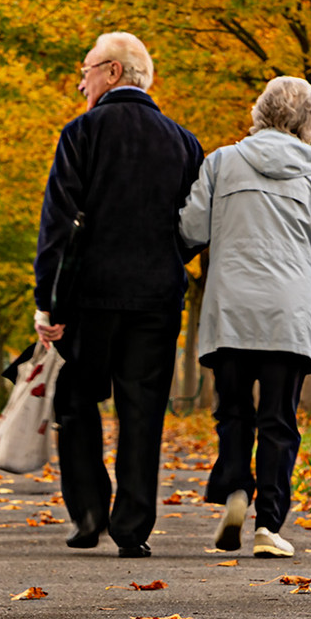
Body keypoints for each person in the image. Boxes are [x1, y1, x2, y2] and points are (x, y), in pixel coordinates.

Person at [177, 75, 311, 558]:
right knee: (278, 419)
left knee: (232, 412)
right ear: (308, 123)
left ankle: (237, 487)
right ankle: (268, 526)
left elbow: (192, 227)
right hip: (288, 312)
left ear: (260, 113)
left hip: (230, 309)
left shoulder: (221, 163)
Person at [33, 32, 204, 558]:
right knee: (143, 409)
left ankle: (87, 513)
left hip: (90, 298)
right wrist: (168, 257)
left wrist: (49, 302)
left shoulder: (81, 133)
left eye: (84, 70)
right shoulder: (184, 142)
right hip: (156, 298)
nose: (80, 81)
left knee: (77, 398)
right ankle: (132, 527)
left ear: (110, 72)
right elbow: (197, 225)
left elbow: (57, 223)